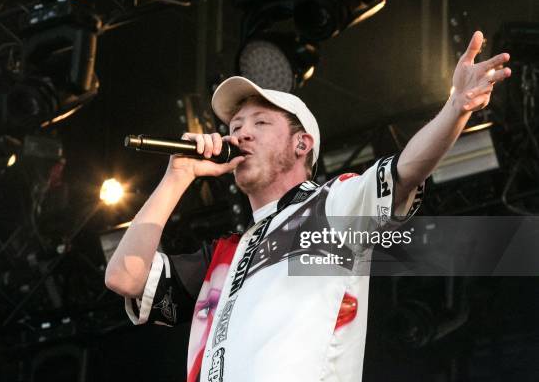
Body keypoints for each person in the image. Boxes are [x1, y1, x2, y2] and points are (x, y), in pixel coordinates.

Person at [105, 31, 511, 382]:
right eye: (235, 127)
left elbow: (405, 171)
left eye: (260, 123)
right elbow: (125, 278)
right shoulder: (225, 256)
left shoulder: (332, 207)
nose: (242, 134)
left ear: (302, 144)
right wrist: (176, 177)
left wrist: (457, 106)